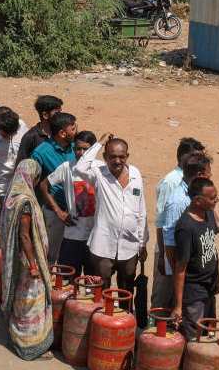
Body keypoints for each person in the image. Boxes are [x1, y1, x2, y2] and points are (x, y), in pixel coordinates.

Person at [0, 160, 53, 361]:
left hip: (15, 260)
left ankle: (15, 338)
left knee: (20, 303)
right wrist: (33, 265)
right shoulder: (25, 202)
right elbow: (24, 236)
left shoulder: (11, 198)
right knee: (31, 302)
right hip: (27, 262)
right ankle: (29, 346)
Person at [84, 138, 148, 296]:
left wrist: (142, 243)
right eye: (112, 157)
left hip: (129, 246)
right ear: (105, 157)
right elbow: (80, 166)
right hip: (103, 246)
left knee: (126, 291)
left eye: (122, 156)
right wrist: (99, 143)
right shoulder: (98, 174)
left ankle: (125, 318)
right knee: (101, 290)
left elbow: (141, 211)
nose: (117, 161)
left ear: (127, 156)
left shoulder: (135, 174)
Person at [40, 131, 104, 277]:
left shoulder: (102, 168)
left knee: (92, 284)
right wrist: (59, 212)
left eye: (86, 149)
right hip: (72, 234)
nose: (81, 153)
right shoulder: (66, 167)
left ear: (93, 149)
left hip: (95, 236)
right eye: (78, 148)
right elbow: (44, 186)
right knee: (66, 280)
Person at [152, 137, 205, 309]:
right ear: (183, 157)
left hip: (184, 252)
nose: (199, 161)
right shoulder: (171, 182)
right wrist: (162, 257)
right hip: (168, 251)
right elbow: (161, 222)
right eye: (195, 156)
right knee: (162, 297)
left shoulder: (195, 181)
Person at [171, 177, 219, 339]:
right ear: (198, 201)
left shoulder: (208, 214)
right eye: (212, 198)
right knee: (195, 339)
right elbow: (180, 268)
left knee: (209, 334)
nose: (217, 200)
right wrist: (178, 306)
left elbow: (214, 241)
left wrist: (216, 279)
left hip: (209, 288)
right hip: (193, 293)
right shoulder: (186, 227)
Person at [31, 111, 77, 264]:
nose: (76, 130)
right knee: (50, 254)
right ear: (63, 133)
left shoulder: (75, 147)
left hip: (76, 212)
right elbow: (33, 182)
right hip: (54, 212)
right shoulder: (41, 153)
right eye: (73, 128)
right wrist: (58, 211)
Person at [159, 153, 212, 284]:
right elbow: (170, 243)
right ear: (200, 175)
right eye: (209, 174)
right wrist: (180, 279)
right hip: (186, 278)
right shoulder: (178, 201)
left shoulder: (198, 195)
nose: (210, 177)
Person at [17, 95, 62, 163]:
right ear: (45, 115)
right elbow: (21, 166)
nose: (60, 116)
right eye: (57, 113)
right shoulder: (30, 137)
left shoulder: (61, 132)